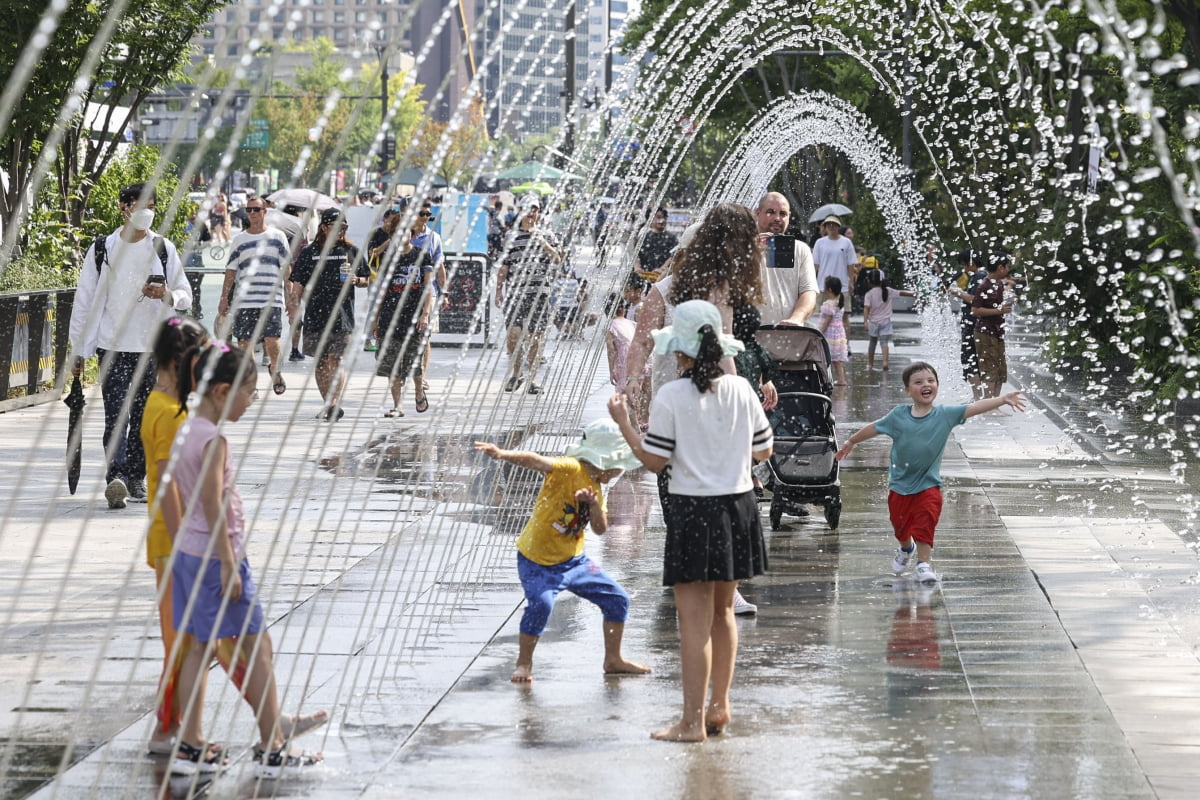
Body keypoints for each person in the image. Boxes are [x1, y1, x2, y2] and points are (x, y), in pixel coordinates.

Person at [608, 299, 773, 742]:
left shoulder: (672, 395)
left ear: (678, 352)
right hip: (739, 508)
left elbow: (654, 461)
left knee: (694, 622)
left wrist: (624, 422)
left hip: (693, 510)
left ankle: (691, 722)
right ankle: (720, 706)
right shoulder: (741, 390)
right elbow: (764, 452)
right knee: (724, 614)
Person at [168, 343, 326, 778]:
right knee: (257, 648)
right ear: (222, 390)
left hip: (191, 552)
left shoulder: (186, 430)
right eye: (249, 391)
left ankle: (191, 741)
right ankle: (273, 745)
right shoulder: (213, 441)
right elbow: (213, 504)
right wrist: (225, 561)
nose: (252, 399)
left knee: (201, 648)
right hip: (218, 557)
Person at [624, 202, 768, 611]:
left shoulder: (700, 288)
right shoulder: (669, 289)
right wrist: (633, 390)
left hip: (693, 399)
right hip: (674, 398)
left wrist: (739, 393)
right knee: (688, 488)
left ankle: (712, 576)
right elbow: (640, 342)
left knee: (695, 487)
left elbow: (723, 351)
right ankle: (698, 570)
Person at [472, 420, 652, 684]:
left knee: (617, 599)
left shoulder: (596, 489)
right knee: (541, 605)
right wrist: (502, 454)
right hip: (537, 561)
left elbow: (601, 529)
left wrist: (592, 504)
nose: (618, 472)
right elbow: (536, 461)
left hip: (573, 562)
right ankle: (524, 664)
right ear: (602, 461)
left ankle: (613, 660)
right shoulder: (570, 468)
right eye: (616, 466)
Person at [835, 361, 1026, 583]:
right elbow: (875, 427)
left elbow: (974, 407)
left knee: (926, 522)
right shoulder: (898, 416)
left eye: (931, 380)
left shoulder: (945, 414)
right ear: (908, 390)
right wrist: (851, 441)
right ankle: (906, 549)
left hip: (929, 484)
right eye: (918, 382)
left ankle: (923, 564)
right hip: (899, 485)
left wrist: (1002, 399)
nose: (926, 385)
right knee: (900, 527)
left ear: (937, 385)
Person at [68, 182, 193, 509]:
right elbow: (84, 302)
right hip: (111, 345)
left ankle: (137, 476)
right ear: (124, 207)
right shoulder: (102, 249)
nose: (146, 212)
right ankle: (116, 478)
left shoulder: (162, 248)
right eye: (139, 205)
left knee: (143, 416)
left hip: (153, 348)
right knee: (116, 415)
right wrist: (78, 351)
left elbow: (184, 294)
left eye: (151, 205)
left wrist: (165, 294)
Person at [140, 316, 208, 755]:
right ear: (181, 362)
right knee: (184, 642)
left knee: (186, 640)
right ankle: (175, 733)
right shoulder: (166, 413)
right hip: (173, 543)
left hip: (173, 541)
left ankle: (173, 729)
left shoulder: (168, 406)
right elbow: (167, 485)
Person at [288, 208, 368, 421]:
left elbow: (367, 279)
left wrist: (357, 281)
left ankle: (333, 403)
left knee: (336, 358)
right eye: (337, 226)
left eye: (344, 227)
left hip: (342, 316)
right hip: (316, 315)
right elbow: (297, 284)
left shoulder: (352, 251)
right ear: (324, 227)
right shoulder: (309, 252)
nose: (341, 231)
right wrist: (293, 306)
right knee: (322, 362)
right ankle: (328, 403)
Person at [217, 196, 292, 395]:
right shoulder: (239, 240)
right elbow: (231, 271)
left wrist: (291, 296)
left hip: (271, 298)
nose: (252, 213)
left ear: (264, 211)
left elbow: (287, 268)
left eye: (256, 209)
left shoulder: (277, 237)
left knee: (272, 340)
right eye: (249, 210)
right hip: (245, 300)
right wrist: (224, 298)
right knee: (245, 342)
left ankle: (275, 370)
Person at [494, 198, 562, 394]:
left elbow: (558, 259)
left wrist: (542, 241)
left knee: (535, 338)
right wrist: (499, 291)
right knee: (513, 335)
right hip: (515, 294)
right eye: (527, 209)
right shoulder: (510, 236)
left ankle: (532, 379)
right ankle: (517, 374)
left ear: (539, 213)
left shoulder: (547, 235)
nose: (531, 213)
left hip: (539, 294)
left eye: (535, 209)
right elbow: (504, 265)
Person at [373, 225, 433, 417]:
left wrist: (425, 314)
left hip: (414, 317)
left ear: (412, 234)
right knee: (392, 365)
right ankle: (397, 405)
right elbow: (383, 291)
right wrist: (375, 319)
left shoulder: (422, 255)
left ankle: (418, 392)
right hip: (390, 317)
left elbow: (427, 287)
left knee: (414, 362)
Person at [752, 192, 818, 326]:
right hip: (752, 335)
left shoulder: (800, 249)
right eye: (771, 212)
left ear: (789, 217)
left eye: (783, 214)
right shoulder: (742, 246)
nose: (777, 218)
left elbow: (809, 292)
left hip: (790, 334)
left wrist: (796, 319)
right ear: (757, 213)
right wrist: (752, 251)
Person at [971, 250, 1015, 398]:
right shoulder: (984, 285)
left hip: (996, 332)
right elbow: (975, 310)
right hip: (985, 333)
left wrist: (1007, 302)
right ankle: (989, 404)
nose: (1008, 269)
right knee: (990, 368)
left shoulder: (999, 284)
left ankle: (995, 402)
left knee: (1000, 369)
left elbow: (997, 305)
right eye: (1006, 266)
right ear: (1000, 268)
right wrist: (999, 310)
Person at [947, 249, 986, 398]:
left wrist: (957, 292)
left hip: (973, 325)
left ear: (971, 263)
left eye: (964, 265)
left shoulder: (979, 277)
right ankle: (979, 397)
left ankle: (978, 397)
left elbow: (974, 300)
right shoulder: (982, 276)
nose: (964, 268)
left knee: (970, 359)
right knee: (973, 359)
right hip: (975, 324)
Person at [812, 215, 857, 338]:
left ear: (838, 227)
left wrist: (851, 281)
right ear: (825, 227)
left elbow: (851, 264)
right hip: (823, 284)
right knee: (822, 314)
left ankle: (846, 343)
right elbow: (815, 264)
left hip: (842, 284)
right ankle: (823, 342)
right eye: (828, 225)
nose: (831, 227)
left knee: (844, 316)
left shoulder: (846, 242)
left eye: (834, 224)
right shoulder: (820, 243)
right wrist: (811, 281)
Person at [862, 269, 916, 371]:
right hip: (885, 322)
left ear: (869, 281)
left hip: (873, 322)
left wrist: (865, 321)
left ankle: (870, 364)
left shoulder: (869, 294)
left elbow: (866, 308)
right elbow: (902, 293)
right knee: (884, 343)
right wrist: (914, 294)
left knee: (872, 343)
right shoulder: (888, 291)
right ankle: (885, 362)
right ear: (882, 280)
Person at [816, 276, 849, 385]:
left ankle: (825, 379)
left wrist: (820, 333)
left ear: (829, 289)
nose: (823, 289)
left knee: (825, 357)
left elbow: (827, 321)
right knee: (836, 359)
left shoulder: (829, 304)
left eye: (824, 287)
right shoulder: (839, 301)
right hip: (838, 334)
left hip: (829, 335)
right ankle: (841, 379)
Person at [633, 207, 678, 282]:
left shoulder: (671, 238)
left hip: (662, 277)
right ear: (651, 219)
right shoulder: (644, 237)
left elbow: (674, 256)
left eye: (664, 218)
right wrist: (637, 267)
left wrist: (663, 268)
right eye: (658, 217)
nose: (662, 221)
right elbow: (635, 255)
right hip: (644, 276)